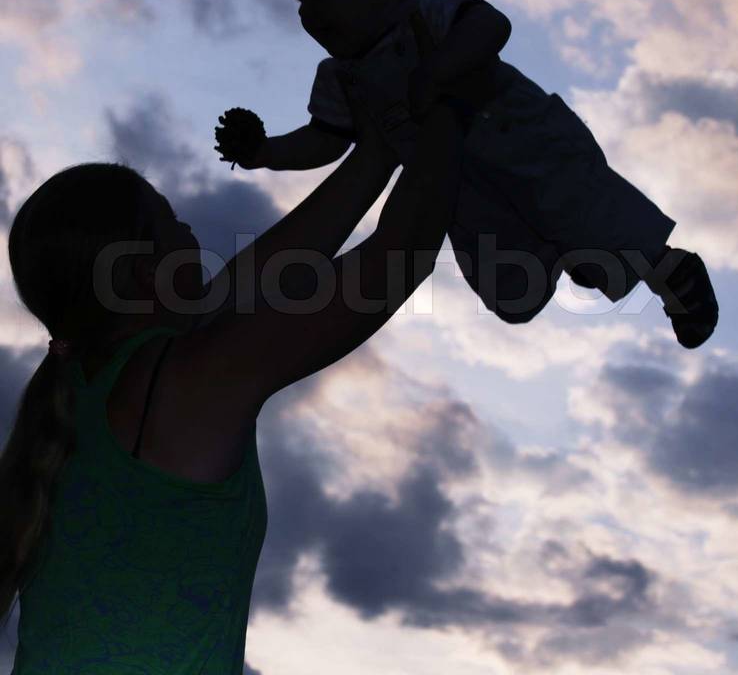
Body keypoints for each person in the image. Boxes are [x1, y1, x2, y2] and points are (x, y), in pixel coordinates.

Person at [1, 34, 470, 670]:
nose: (190, 232)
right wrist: (450, 99)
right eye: (172, 224)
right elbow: (399, 255)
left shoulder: (91, 387)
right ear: (142, 273)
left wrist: (380, 149)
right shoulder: (180, 383)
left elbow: (265, 273)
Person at [215, 0, 719, 349]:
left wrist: (437, 71)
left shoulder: (429, 10)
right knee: (513, 293)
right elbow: (325, 140)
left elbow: (491, 25)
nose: (306, 12)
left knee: (587, 213)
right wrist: (265, 151)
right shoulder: (341, 78)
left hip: (525, 142)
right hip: (459, 192)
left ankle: (671, 272)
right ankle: (573, 252)